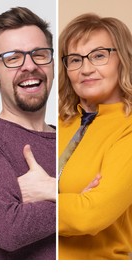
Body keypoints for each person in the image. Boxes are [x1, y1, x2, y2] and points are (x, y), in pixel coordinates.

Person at [0, 7, 57, 260]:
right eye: (13, 58)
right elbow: (9, 230)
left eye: (40, 54)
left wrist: (53, 190)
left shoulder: (76, 136)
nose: (29, 66)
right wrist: (84, 200)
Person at [58, 13, 132, 260]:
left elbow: (89, 216)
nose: (86, 69)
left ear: (123, 59)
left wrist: (40, 195)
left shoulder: (128, 128)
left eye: (99, 56)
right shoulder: (57, 123)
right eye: (75, 60)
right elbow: (2, 202)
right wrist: (71, 201)